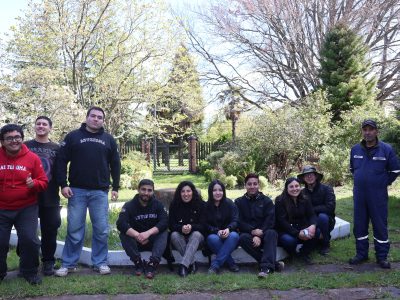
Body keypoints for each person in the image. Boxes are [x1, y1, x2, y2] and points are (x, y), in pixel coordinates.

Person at [55, 106, 121, 277]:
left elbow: (115, 164)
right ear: (87, 117)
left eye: (100, 117)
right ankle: (68, 264)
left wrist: (116, 187)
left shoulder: (109, 139)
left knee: (101, 229)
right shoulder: (73, 137)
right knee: (74, 229)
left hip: (99, 192)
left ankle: (100, 263)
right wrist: (63, 184)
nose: (96, 119)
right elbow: (61, 161)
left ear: (103, 120)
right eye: (93, 116)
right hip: (76, 191)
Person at [0, 124, 48, 285]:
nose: (14, 141)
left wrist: (34, 184)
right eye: (9, 138)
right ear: (2, 141)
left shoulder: (32, 158)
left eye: (17, 137)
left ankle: (29, 272)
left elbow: (43, 182)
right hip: (1, 208)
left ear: (22, 138)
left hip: (26, 207)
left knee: (29, 240)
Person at [349, 119, 400, 269]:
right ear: (362, 132)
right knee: (359, 225)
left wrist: (382, 182)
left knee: (379, 225)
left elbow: (395, 170)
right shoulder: (355, 149)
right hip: (359, 195)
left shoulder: (386, 149)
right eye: (365, 130)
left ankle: (382, 257)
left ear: (377, 131)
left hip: (377, 195)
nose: (368, 132)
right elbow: (353, 169)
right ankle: (361, 254)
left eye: (371, 129)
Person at [25, 116, 61, 275]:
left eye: (44, 124)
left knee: (50, 230)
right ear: (34, 126)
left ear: (50, 128)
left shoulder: (57, 148)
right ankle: (27, 262)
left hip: (50, 195)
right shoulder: (25, 146)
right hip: (26, 196)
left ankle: (48, 262)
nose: (41, 126)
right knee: (26, 232)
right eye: (38, 123)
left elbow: (60, 171)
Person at [116, 179, 168, 279]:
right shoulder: (129, 205)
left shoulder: (158, 205)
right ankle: (138, 263)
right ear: (138, 190)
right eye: (143, 189)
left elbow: (164, 222)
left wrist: (148, 234)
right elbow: (120, 223)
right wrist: (137, 235)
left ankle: (153, 264)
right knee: (123, 234)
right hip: (136, 242)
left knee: (163, 232)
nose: (146, 193)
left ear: (153, 191)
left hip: (153, 241)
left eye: (149, 190)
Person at [235, 173, 284, 278]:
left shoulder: (267, 201)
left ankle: (265, 269)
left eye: (255, 184)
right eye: (249, 184)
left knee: (272, 233)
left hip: (265, 234)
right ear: (245, 186)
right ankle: (272, 265)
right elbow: (239, 221)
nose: (252, 186)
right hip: (249, 236)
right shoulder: (239, 202)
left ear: (258, 185)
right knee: (242, 238)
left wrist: (259, 234)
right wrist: (252, 231)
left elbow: (270, 220)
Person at [275, 177, 319, 264]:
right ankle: (292, 254)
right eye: (291, 187)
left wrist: (312, 225)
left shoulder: (305, 199)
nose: (295, 189)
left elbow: (312, 215)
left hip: (301, 228)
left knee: (316, 232)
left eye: (297, 186)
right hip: (285, 230)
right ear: (286, 188)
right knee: (290, 241)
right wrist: (297, 233)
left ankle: (304, 253)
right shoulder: (280, 201)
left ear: (300, 187)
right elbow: (281, 221)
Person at [169, 181, 205, 277]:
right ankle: (191, 263)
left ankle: (183, 266)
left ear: (192, 192)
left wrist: (192, 227)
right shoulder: (174, 205)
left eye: (188, 191)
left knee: (196, 234)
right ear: (179, 193)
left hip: (197, 239)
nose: (186, 194)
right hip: (180, 238)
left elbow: (204, 225)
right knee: (174, 235)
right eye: (183, 191)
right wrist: (181, 228)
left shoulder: (200, 204)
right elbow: (171, 225)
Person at [297, 166, 336, 255]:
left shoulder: (327, 189)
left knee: (322, 217)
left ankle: (325, 244)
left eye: (311, 174)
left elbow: (330, 207)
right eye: (306, 175)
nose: (309, 177)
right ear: (303, 178)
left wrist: (311, 210)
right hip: (310, 221)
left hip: (326, 220)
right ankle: (317, 239)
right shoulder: (302, 193)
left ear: (316, 176)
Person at [204, 180, 240, 274]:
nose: (217, 192)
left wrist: (228, 229)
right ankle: (231, 263)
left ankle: (215, 265)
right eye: (214, 190)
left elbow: (235, 220)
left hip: (229, 236)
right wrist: (217, 231)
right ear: (210, 192)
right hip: (214, 237)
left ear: (223, 191)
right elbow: (204, 224)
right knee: (212, 238)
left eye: (220, 190)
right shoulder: (206, 206)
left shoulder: (230, 204)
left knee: (234, 236)